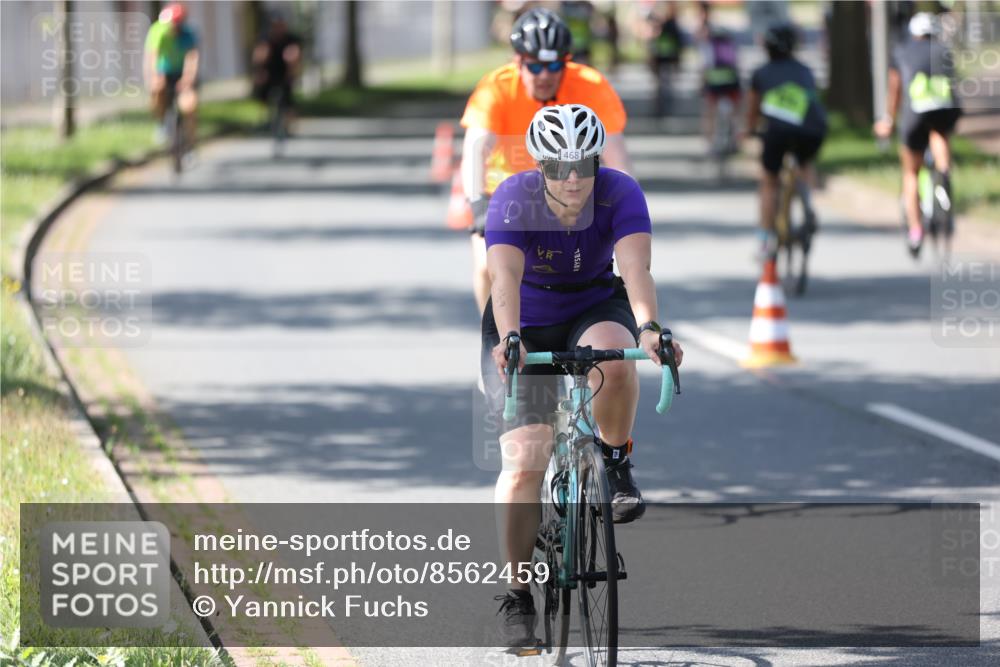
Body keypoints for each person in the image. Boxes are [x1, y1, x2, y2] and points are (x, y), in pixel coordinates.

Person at [483, 104, 683, 645]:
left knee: (616, 357)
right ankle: (517, 593)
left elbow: (635, 268)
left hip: (593, 304)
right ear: (539, 166)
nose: (572, 179)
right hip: (524, 319)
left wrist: (650, 328)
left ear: (598, 160)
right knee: (524, 462)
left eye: (583, 165)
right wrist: (510, 338)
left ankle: (614, 462)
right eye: (558, 167)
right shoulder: (513, 198)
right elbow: (503, 278)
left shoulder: (620, 193)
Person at [460, 7, 632, 316]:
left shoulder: (590, 85)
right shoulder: (497, 86)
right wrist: (477, 202)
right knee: (488, 267)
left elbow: (617, 155)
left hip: (570, 192)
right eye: (535, 66)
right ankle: (496, 335)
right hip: (507, 194)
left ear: (567, 61)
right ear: (517, 61)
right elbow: (476, 148)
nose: (544, 75)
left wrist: (626, 204)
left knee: (587, 270)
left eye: (554, 65)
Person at [874, 12, 962, 256]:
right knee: (939, 133)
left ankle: (915, 231)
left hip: (915, 112)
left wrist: (889, 120)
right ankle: (944, 172)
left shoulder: (902, 50)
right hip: (945, 107)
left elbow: (895, 90)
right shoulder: (944, 50)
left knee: (911, 173)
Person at [743, 21, 827, 258]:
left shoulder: (761, 73)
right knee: (805, 162)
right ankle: (808, 201)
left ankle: (764, 238)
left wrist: (749, 131)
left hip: (777, 131)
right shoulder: (805, 71)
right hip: (812, 129)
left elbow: (753, 112)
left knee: (769, 180)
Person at [144, 2, 199, 148]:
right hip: (163, 72)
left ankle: (190, 145)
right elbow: (153, 56)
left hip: (182, 73)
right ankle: (161, 123)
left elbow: (192, 58)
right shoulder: (157, 31)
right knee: (157, 91)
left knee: (189, 106)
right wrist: (156, 75)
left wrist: (187, 79)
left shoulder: (188, 34)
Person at [696, 2, 741, 152]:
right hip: (731, 80)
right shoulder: (729, 43)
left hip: (714, 81)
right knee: (735, 112)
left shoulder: (708, 44)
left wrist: (701, 83)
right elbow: (736, 63)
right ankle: (736, 140)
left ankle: (709, 143)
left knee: (710, 112)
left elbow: (705, 65)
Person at [252, 13, 303, 132]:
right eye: (275, 25)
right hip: (269, 71)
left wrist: (293, 70)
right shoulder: (266, 38)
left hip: (285, 72)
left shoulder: (291, 38)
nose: (278, 28)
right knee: (263, 92)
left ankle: (289, 122)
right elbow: (258, 55)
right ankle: (264, 117)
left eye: (280, 25)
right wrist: (259, 70)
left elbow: (297, 55)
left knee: (287, 97)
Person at [640, 1, 684, 118]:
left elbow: (677, 43)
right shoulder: (656, 24)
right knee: (660, 85)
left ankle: (665, 107)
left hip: (668, 59)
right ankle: (659, 108)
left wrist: (677, 60)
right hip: (659, 59)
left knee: (665, 84)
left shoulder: (671, 25)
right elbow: (651, 42)